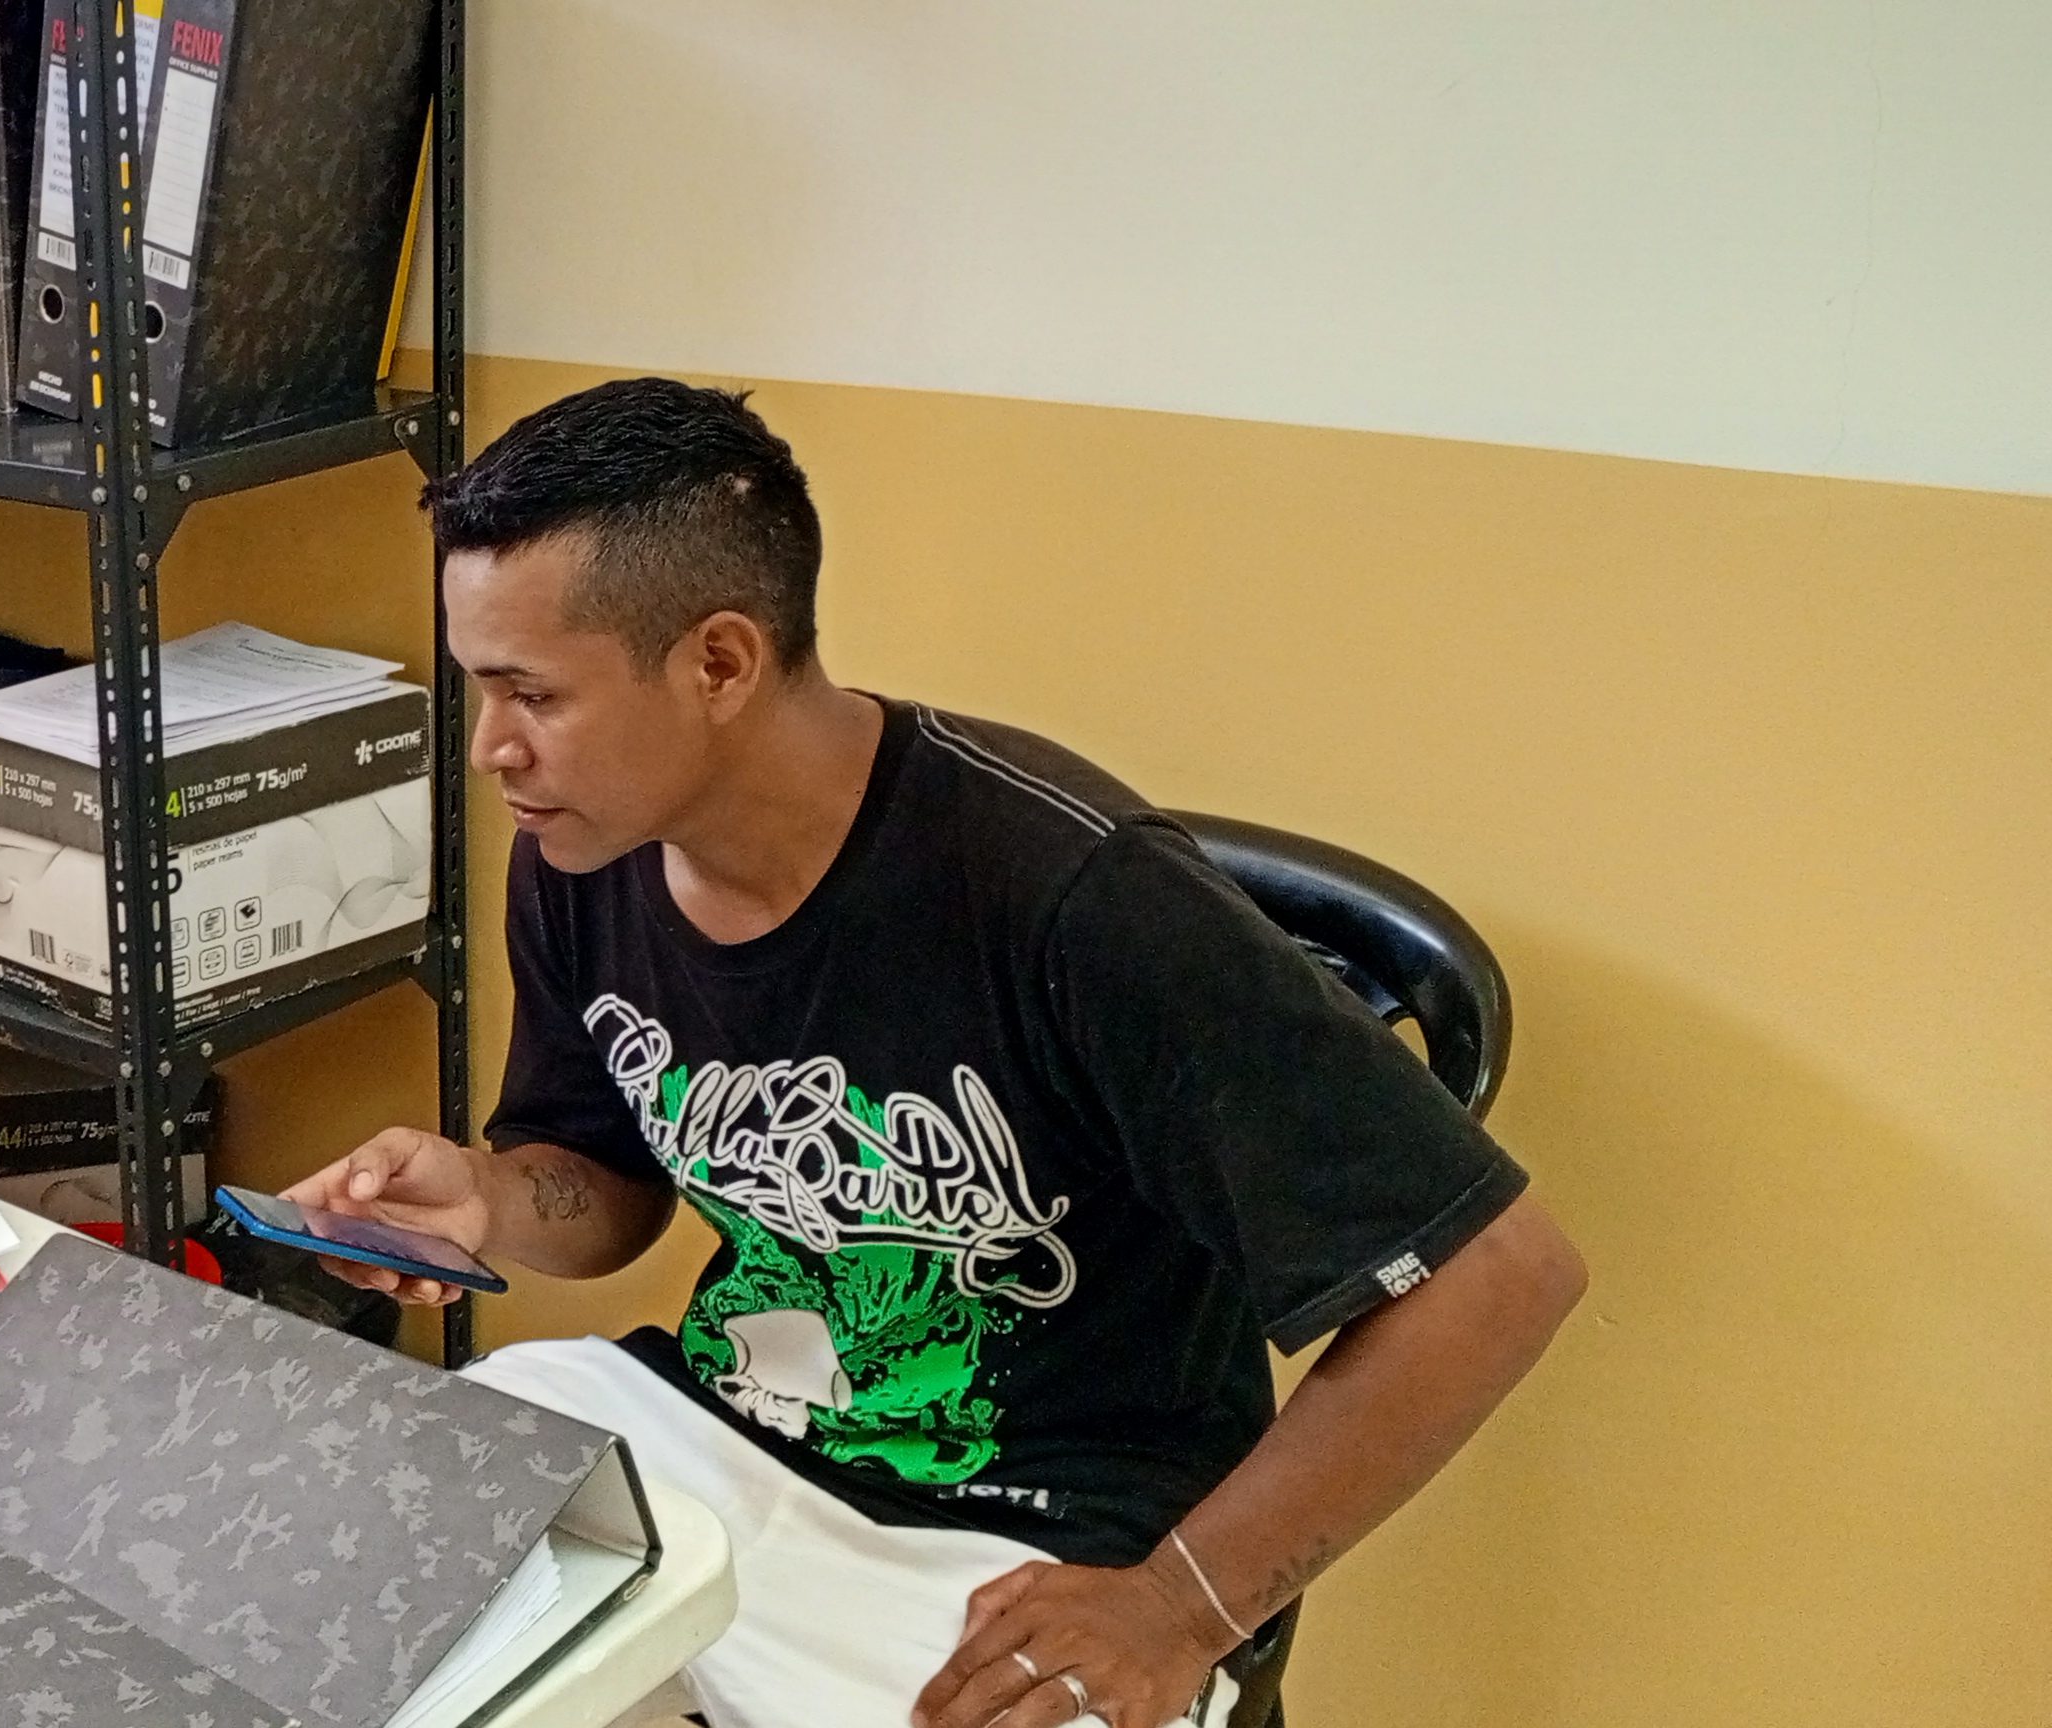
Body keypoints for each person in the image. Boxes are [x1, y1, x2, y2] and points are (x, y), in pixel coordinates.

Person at [282, 379, 1587, 1728]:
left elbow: (1500, 1278)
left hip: (1029, 1535)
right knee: (375, 1552)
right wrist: (490, 1200)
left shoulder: (1075, 898)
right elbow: (607, 1196)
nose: (490, 748)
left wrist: (1178, 1608)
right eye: (481, 687)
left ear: (719, 664)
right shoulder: (582, 850)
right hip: (723, 1429)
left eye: (532, 694)